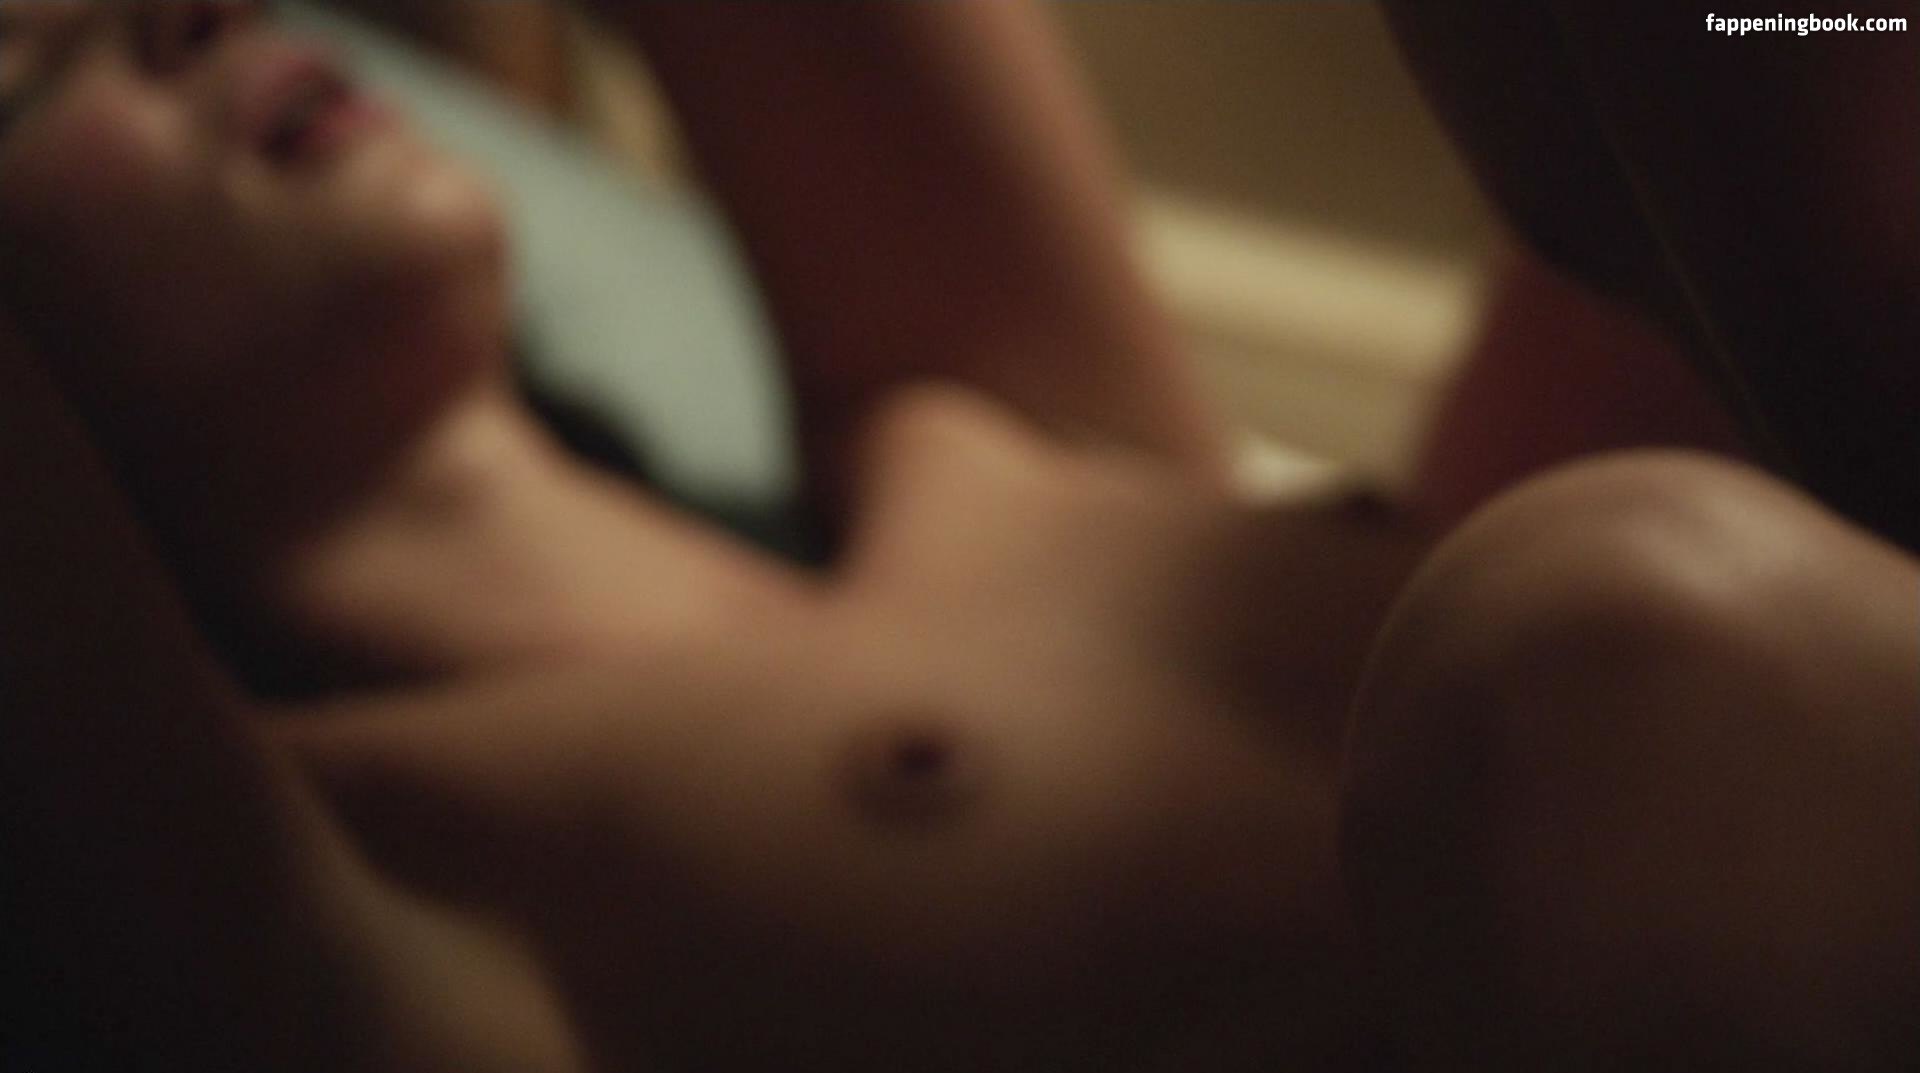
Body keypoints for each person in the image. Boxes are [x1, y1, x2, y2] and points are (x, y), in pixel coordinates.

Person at [0, 3, 1910, 1072]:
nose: (187, 9)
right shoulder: (382, 862)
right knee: (1597, 629)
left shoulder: (971, 421)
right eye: (29, 62)